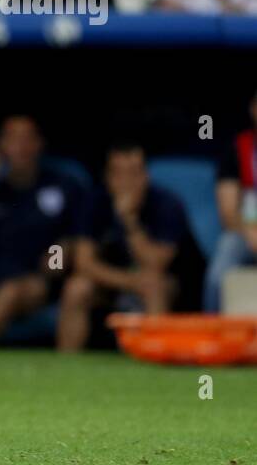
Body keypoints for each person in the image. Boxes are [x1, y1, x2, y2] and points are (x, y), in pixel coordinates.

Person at [0, 115, 91, 346]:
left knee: (11, 292)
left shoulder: (63, 185)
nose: (21, 147)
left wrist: (56, 258)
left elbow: (72, 241)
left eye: (27, 139)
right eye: (13, 139)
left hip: (37, 282)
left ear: (39, 144)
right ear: (1, 147)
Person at [59, 140, 202, 351]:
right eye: (119, 174)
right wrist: (130, 281)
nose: (127, 182)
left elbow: (156, 264)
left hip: (168, 286)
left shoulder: (167, 204)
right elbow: (84, 263)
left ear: (146, 176)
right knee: (76, 288)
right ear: (108, 178)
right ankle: (65, 367)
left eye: (134, 173)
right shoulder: (93, 202)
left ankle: (158, 359)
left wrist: (129, 220)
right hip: (117, 281)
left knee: (153, 283)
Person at [205, 92, 257, 311]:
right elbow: (228, 213)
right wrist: (251, 231)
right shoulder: (238, 149)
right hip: (246, 233)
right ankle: (212, 335)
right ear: (253, 109)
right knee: (220, 270)